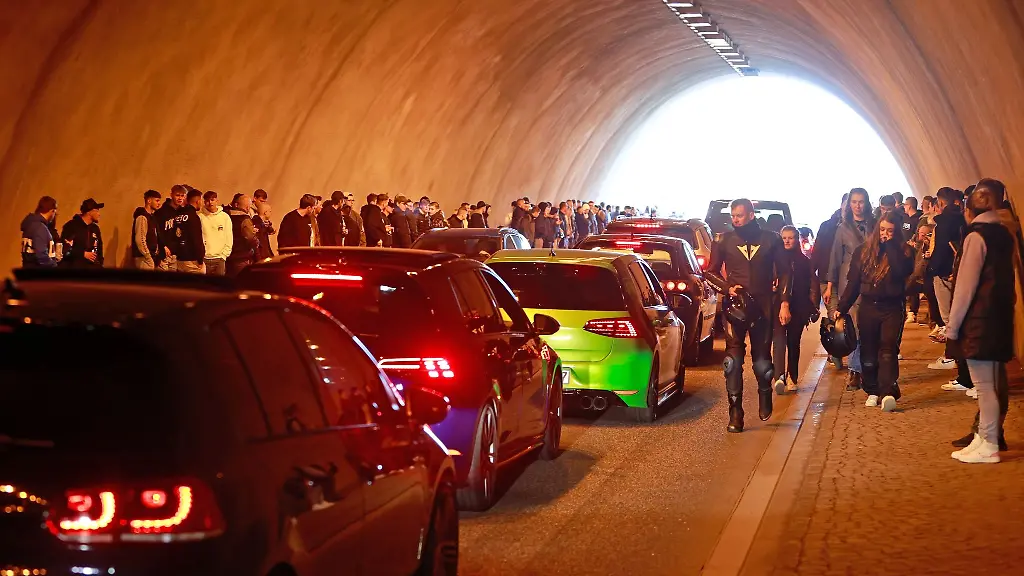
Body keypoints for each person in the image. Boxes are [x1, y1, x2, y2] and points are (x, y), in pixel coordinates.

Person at [706, 199, 791, 432]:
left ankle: (765, 396)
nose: (735, 219)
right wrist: (726, 288)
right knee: (732, 363)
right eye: (733, 215)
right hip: (735, 307)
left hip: (763, 306)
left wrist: (784, 303)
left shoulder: (771, 239)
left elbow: (785, 272)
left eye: (740, 215)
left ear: (751, 215)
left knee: (762, 363)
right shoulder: (723, 240)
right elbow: (710, 272)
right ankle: (735, 413)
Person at [947, 179, 1015, 463]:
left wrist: (952, 327)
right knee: (991, 386)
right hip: (999, 318)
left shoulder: (976, 237)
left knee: (984, 388)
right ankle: (983, 438)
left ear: (968, 209)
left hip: (979, 321)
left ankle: (988, 444)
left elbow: (966, 287)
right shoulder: (1004, 234)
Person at [835, 212, 913, 411]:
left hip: (892, 307)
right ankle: (871, 390)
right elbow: (853, 283)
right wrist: (841, 308)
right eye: (882, 229)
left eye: (890, 231)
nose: (885, 234)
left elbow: (901, 273)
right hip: (868, 306)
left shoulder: (904, 251)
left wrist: (891, 248)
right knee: (868, 353)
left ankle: (887, 391)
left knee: (887, 350)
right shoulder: (863, 251)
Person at [825, 188, 874, 391]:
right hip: (849, 284)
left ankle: (869, 369)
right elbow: (835, 259)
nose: (857, 205)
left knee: (869, 328)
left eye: (861, 202)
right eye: (854, 202)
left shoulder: (875, 226)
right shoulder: (842, 228)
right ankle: (855, 371)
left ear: (867, 203)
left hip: (872, 282)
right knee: (853, 327)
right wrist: (830, 286)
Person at [773, 226, 820, 394]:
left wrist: (813, 306)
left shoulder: (804, 261)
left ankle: (792, 377)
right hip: (777, 306)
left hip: (799, 307)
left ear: (797, 239)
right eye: (784, 237)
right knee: (779, 341)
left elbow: (812, 284)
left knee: (793, 343)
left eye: (790, 237)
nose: (787, 240)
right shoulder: (775, 259)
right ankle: (779, 376)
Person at [927, 187, 967, 351]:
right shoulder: (965, 220)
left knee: (948, 318)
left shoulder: (943, 223)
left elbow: (941, 250)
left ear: (941, 202)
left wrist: (932, 269)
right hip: (961, 272)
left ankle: (952, 355)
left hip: (944, 274)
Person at [812, 195, 846, 368]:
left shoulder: (860, 227)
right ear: (842, 205)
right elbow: (817, 251)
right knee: (834, 313)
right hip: (828, 278)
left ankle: (840, 353)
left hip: (848, 279)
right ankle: (835, 353)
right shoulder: (828, 226)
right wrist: (812, 276)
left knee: (844, 315)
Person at [59, 198, 104, 268]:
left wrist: (100, 263)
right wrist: (82, 254)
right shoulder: (72, 226)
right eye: (97, 211)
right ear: (89, 212)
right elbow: (64, 249)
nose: (99, 214)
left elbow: (100, 249)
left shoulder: (95, 229)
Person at [198, 191, 232, 276]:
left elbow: (229, 237)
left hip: (219, 259)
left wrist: (224, 256)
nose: (210, 203)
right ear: (204, 201)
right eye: (207, 200)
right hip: (204, 259)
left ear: (217, 200)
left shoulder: (225, 217)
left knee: (218, 286)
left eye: (212, 200)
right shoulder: (199, 217)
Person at [20, 196, 60, 268]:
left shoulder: (31, 225)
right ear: (52, 211)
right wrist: (54, 266)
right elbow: (42, 256)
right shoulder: (40, 228)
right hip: (38, 273)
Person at [226, 194, 259, 276]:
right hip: (242, 256)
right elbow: (250, 238)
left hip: (228, 255)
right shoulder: (245, 219)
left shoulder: (226, 216)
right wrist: (256, 243)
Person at [130, 190, 162, 270]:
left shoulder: (152, 217)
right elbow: (140, 239)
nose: (159, 203)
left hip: (152, 256)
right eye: (157, 200)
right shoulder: (142, 217)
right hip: (143, 258)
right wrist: (148, 256)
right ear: (149, 201)